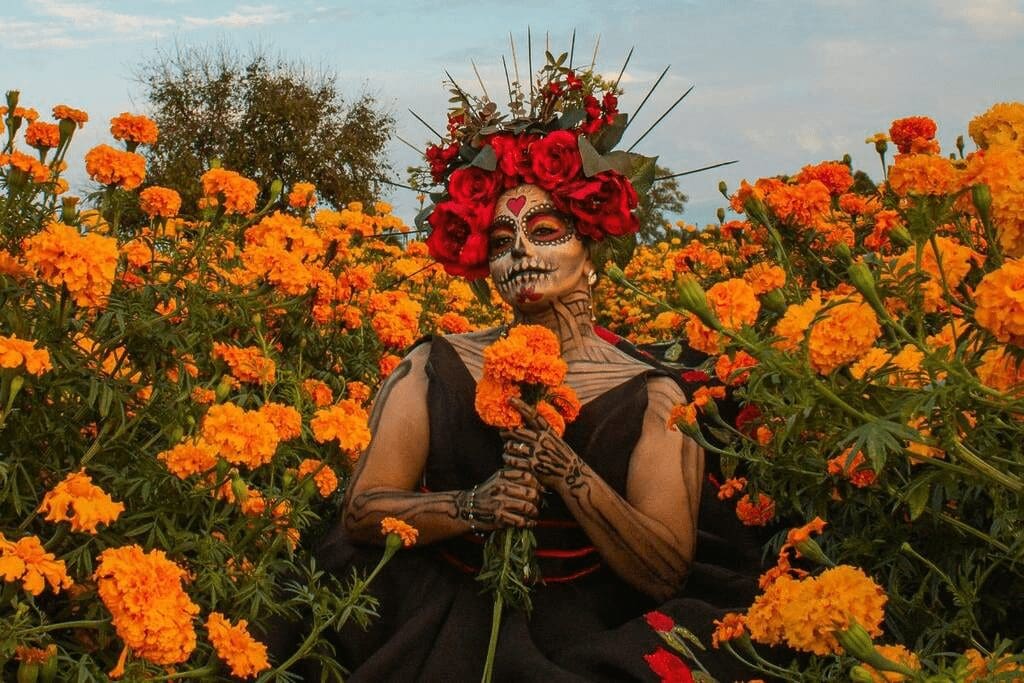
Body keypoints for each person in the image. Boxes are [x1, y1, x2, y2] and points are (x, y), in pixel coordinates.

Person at [272, 61, 767, 681]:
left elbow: (664, 569)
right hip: (435, 606)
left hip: (588, 625)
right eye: (501, 240)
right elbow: (362, 510)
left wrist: (567, 472)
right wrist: (474, 506)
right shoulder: (433, 363)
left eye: (545, 231)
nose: (521, 253)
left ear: (591, 248)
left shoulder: (656, 395)